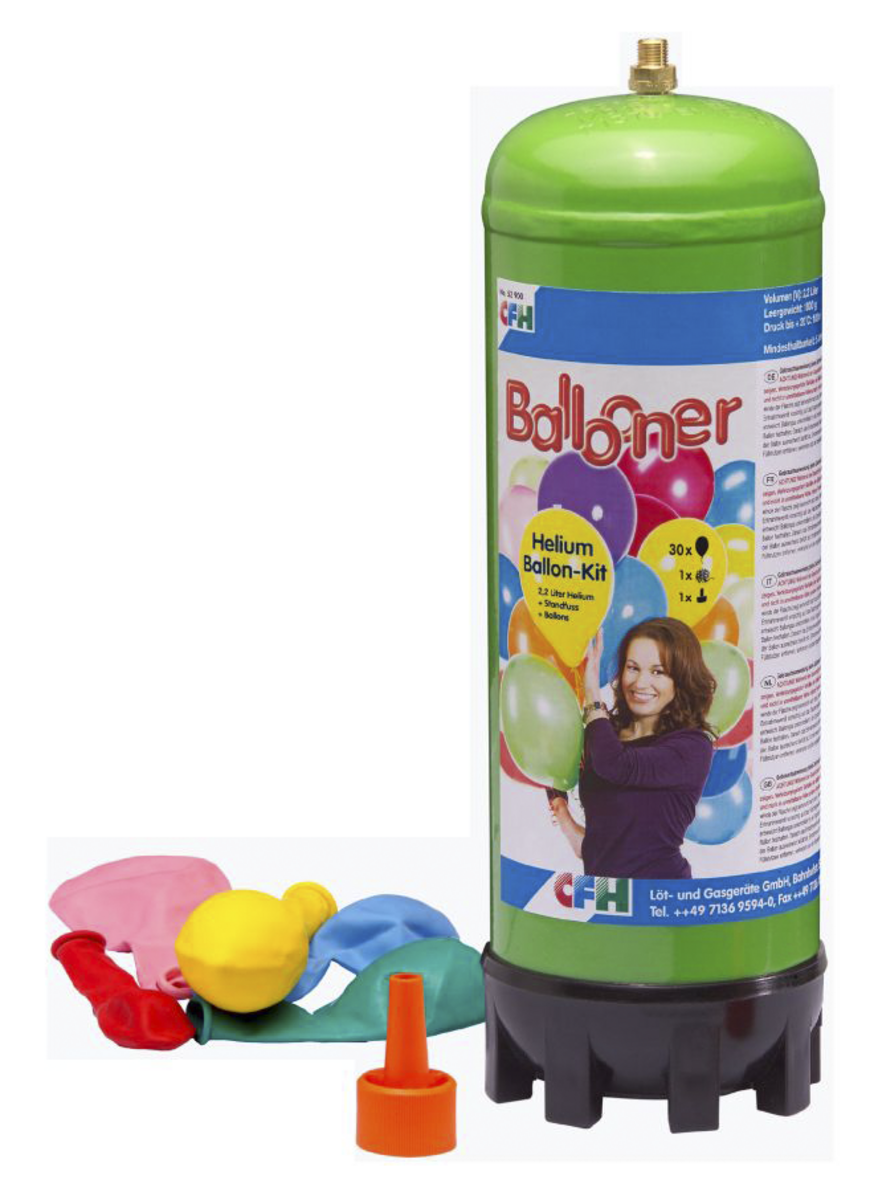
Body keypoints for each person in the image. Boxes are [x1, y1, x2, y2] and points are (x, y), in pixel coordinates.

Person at [549, 617, 716, 879]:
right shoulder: (605, 734)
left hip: (660, 893)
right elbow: (598, 848)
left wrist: (592, 695)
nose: (640, 682)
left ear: (681, 678)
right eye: (633, 668)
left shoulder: (692, 747)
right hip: (605, 893)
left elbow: (616, 765)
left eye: (658, 671)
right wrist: (561, 809)